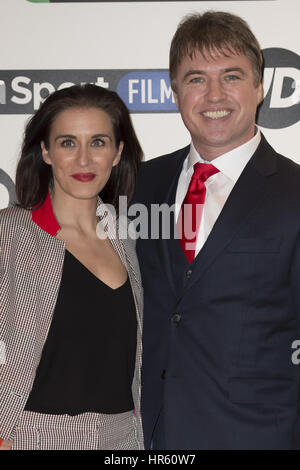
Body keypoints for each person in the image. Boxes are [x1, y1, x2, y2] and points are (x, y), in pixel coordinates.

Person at [133, 11, 300, 449]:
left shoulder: (296, 192)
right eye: (195, 79)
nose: (213, 95)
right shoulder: (138, 186)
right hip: (151, 436)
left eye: (231, 76)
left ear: (260, 87)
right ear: (174, 92)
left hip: (261, 436)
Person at [0, 84, 144, 450]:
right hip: (32, 437)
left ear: (117, 152)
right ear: (46, 151)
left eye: (98, 142)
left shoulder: (127, 238)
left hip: (123, 438)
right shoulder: (9, 233)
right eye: (67, 143)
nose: (84, 160)